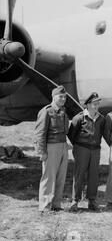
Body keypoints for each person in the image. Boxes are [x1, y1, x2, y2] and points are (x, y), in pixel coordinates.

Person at [67, 92, 106, 212]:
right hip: (81, 148)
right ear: (87, 105)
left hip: (95, 149)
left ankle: (92, 200)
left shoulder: (101, 119)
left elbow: (102, 133)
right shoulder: (79, 117)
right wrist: (79, 147)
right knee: (79, 174)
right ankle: (75, 200)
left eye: (97, 104)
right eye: (94, 104)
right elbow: (71, 134)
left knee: (94, 175)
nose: (96, 106)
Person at [34, 85, 70, 213]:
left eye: (64, 97)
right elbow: (40, 133)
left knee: (61, 176)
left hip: (62, 146)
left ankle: (56, 204)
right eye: (60, 96)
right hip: (51, 146)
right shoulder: (46, 111)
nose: (63, 99)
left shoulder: (63, 111)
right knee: (49, 177)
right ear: (53, 97)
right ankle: (44, 206)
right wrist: (42, 151)